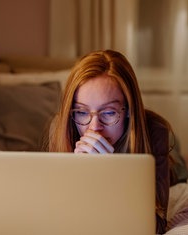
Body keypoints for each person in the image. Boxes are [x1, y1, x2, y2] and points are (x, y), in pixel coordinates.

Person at [47, 49, 173, 234]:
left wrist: (110, 175)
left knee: (179, 171)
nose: (94, 128)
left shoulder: (154, 131)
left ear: (129, 110)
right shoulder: (62, 126)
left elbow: (155, 226)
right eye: (82, 112)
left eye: (108, 112)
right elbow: (60, 217)